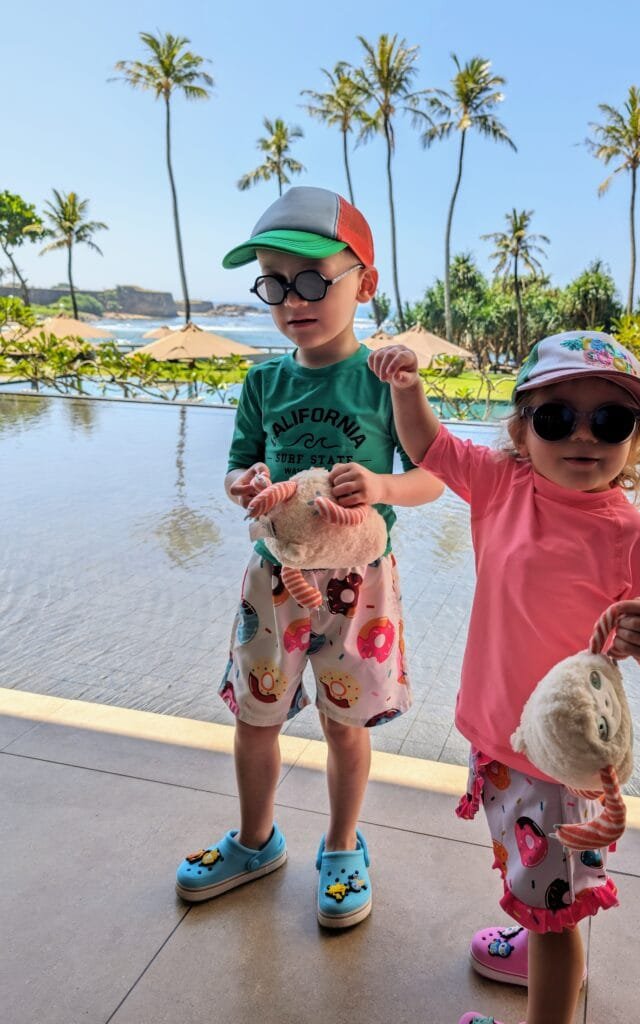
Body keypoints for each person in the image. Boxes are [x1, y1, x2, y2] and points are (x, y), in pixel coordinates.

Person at [369, 331, 640, 1024]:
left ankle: (544, 974)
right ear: (520, 431)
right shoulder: (501, 484)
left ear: (634, 441)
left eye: (609, 421)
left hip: (560, 759)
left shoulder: (626, 534)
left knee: (559, 914)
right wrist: (405, 388)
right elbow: (429, 448)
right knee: (529, 870)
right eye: (554, 417)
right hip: (498, 735)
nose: (582, 435)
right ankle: (531, 939)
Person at [175, 186, 444, 929]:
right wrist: (248, 485)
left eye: (312, 279)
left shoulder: (383, 378)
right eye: (273, 282)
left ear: (365, 282)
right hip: (273, 579)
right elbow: (237, 468)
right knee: (256, 716)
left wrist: (383, 483)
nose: (292, 299)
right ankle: (256, 840)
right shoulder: (264, 381)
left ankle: (341, 844)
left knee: (343, 724)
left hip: (361, 586)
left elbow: (435, 474)